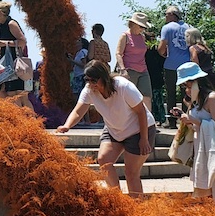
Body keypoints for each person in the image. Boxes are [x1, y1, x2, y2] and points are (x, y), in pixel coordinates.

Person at [56, 60, 155, 197]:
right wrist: (67, 125)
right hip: (114, 129)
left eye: (94, 80)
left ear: (104, 78)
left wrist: (144, 139)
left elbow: (141, 112)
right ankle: (118, 200)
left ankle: (137, 209)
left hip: (139, 129)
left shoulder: (124, 86)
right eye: (87, 80)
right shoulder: (89, 90)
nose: (91, 84)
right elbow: (79, 111)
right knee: (104, 160)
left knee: (131, 173)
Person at [173, 61, 215, 208]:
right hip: (199, 149)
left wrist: (194, 120)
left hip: (210, 150)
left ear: (198, 82)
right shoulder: (195, 101)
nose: (187, 90)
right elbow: (196, 124)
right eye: (184, 87)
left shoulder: (212, 98)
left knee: (210, 189)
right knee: (201, 189)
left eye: (188, 86)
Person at [0, 1, 32, 110]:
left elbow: (22, 41)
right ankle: (21, 120)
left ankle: (32, 121)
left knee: (19, 95)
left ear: (0, 12)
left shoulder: (11, 24)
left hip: (15, 64)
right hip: (8, 65)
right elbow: (1, 47)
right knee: (8, 92)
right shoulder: (2, 26)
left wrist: (5, 43)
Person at [158, 6, 191, 121]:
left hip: (171, 65)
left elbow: (161, 48)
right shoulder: (188, 27)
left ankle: (172, 120)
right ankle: (187, 120)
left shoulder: (167, 28)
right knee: (187, 93)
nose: (165, 16)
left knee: (171, 93)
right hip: (186, 65)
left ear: (172, 14)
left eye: (166, 14)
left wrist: (163, 54)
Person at [116, 12, 153, 112]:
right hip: (129, 71)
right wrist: (123, 70)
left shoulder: (142, 37)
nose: (142, 29)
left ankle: (149, 124)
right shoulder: (125, 36)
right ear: (133, 24)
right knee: (128, 98)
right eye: (141, 26)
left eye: (144, 27)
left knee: (147, 97)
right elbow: (118, 53)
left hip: (143, 70)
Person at [145, 42, 166, 125]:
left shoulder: (148, 52)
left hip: (153, 78)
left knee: (156, 99)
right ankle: (160, 118)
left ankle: (160, 118)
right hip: (155, 77)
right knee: (157, 99)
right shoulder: (157, 51)